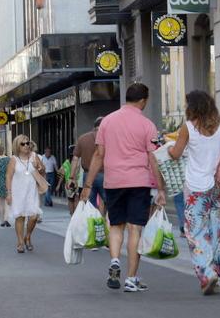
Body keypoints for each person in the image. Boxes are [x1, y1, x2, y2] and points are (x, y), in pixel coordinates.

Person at [82, 83, 165, 292]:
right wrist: (161, 188)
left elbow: (98, 155)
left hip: (114, 181)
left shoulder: (107, 122)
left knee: (116, 224)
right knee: (135, 227)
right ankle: (131, 278)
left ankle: (115, 260)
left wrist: (88, 184)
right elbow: (153, 158)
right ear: (143, 100)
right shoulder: (147, 125)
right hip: (139, 181)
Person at [167, 90, 220, 295]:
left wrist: (168, 149)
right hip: (219, 184)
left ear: (191, 107)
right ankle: (219, 274)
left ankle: (207, 273)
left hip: (196, 187)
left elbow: (175, 154)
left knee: (196, 232)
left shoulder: (188, 128)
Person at [6, 135, 44, 253]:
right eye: (23, 144)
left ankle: (27, 236)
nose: (26, 145)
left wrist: (39, 167)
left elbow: (42, 170)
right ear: (17, 146)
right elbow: (8, 176)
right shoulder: (14, 159)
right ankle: (20, 242)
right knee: (20, 217)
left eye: (27, 143)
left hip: (31, 191)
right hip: (18, 192)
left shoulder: (34, 156)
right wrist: (9, 193)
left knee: (34, 216)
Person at [71, 117, 105, 216]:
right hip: (105, 175)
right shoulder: (108, 137)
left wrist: (71, 177)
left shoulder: (82, 138)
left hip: (88, 176)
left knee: (90, 205)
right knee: (111, 204)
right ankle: (107, 226)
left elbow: (75, 159)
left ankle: (93, 227)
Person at [59, 145, 80, 215]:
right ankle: (76, 215)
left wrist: (58, 184)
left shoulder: (66, 163)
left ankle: (72, 215)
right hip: (77, 182)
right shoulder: (79, 161)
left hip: (68, 184)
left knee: (70, 200)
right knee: (76, 199)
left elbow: (61, 173)